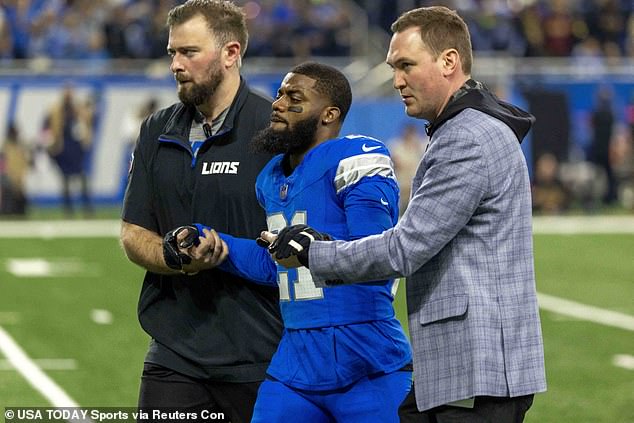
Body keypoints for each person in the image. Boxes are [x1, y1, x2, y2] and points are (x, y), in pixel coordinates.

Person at [264, 6, 547, 423]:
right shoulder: (463, 129)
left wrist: (313, 253)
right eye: (394, 67)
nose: (397, 80)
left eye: (407, 65)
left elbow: (404, 250)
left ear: (449, 61)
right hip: (466, 367)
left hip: (475, 370)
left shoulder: (466, 138)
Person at [170, 62, 412, 422]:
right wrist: (213, 242)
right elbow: (279, 264)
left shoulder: (356, 158)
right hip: (296, 364)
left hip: (366, 359)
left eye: (293, 97)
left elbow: (378, 254)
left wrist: (315, 247)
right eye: (280, 93)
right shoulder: (271, 177)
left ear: (329, 114)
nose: (278, 103)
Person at [119, 1, 283, 421]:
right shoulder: (157, 129)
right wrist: (174, 258)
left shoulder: (275, 131)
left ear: (231, 53)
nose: (176, 64)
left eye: (189, 52)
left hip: (261, 351)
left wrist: (230, 253)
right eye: (172, 52)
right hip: (175, 351)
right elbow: (134, 231)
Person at [45, 85, 94, 217]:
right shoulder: (56, 110)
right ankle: (68, 210)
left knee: (82, 178)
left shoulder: (77, 109)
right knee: (66, 180)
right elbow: (47, 128)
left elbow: (87, 123)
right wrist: (52, 144)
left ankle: (86, 208)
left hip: (76, 148)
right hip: (63, 148)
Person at [389, 122, 427, 213]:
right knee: (402, 214)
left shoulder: (422, 145)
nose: (410, 136)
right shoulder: (397, 146)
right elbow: (395, 164)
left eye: (412, 133)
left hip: (419, 188)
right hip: (402, 189)